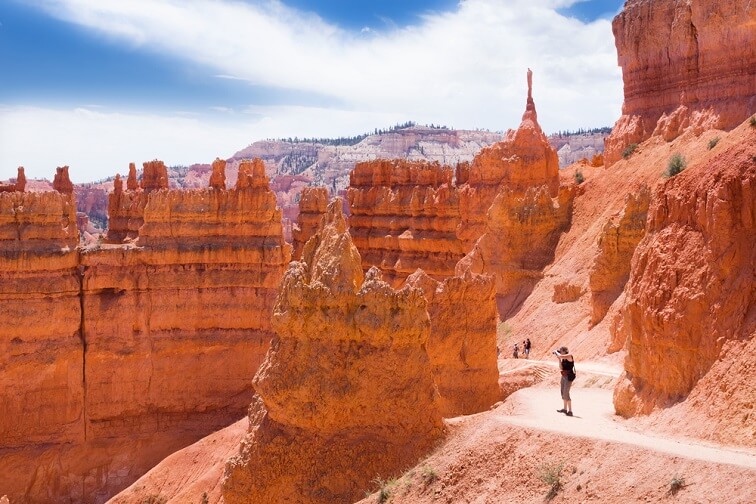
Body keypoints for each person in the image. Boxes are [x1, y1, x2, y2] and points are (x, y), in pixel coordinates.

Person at [553, 346, 575, 416]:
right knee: (563, 392)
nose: (560, 351)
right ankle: (565, 409)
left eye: (561, 350)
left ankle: (570, 411)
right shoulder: (563, 358)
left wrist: (557, 352)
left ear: (565, 351)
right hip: (564, 376)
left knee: (566, 392)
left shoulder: (569, 356)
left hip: (569, 377)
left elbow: (561, 355)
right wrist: (559, 359)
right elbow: (561, 368)